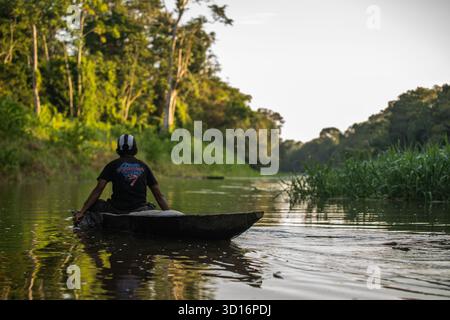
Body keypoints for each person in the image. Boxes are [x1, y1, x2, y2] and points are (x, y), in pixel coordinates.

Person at [74, 134, 170, 224]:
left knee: (95, 204)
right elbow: (159, 196)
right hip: (140, 210)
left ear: (118, 150)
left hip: (116, 210)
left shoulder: (112, 165)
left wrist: (82, 211)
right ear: (135, 149)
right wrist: (171, 215)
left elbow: (98, 190)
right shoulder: (144, 166)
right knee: (151, 206)